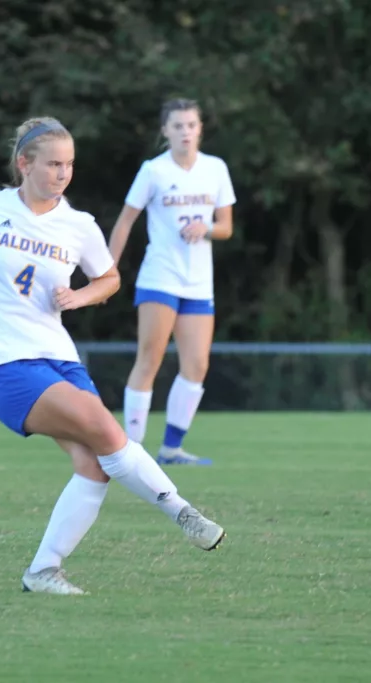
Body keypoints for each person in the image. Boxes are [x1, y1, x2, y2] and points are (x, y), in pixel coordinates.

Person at [0, 116, 225, 596]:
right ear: (25, 164)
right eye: (53, 164)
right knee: (107, 430)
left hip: (59, 358)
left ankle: (43, 571)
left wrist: (80, 297)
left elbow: (109, 278)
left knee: (93, 464)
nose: (63, 173)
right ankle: (181, 511)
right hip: (4, 362)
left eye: (69, 165)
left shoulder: (79, 225)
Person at [108, 98, 236, 466]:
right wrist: (107, 271)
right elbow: (125, 221)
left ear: (200, 129)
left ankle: (171, 449)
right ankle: (131, 452)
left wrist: (205, 228)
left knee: (196, 365)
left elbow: (226, 227)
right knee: (149, 359)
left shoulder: (215, 168)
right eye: (178, 126)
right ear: (165, 130)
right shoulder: (154, 171)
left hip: (198, 283)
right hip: (160, 277)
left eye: (191, 125)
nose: (185, 132)